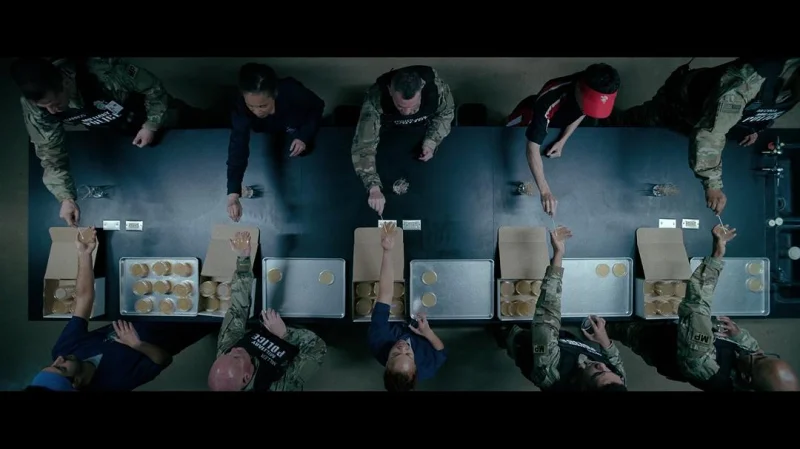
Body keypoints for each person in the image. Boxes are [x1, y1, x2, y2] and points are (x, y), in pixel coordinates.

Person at [10, 57, 212, 227]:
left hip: (159, 117)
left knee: (206, 132)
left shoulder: (103, 72)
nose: (52, 111)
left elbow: (153, 88)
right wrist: (66, 198)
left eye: (55, 103)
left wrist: (151, 125)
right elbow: (50, 154)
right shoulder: (36, 107)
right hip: (118, 132)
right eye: (45, 107)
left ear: (65, 83)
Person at [607, 224, 800, 391]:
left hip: (648, 332)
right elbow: (753, 348)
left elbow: (696, 303)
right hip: (676, 323)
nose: (756, 353)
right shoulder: (750, 364)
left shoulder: (706, 366)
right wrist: (738, 335)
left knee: (608, 318)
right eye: (766, 355)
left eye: (758, 359)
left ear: (746, 378)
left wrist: (717, 254)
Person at [604, 57, 800, 215]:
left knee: (669, 142)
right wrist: (713, 185)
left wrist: (757, 126)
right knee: (644, 119)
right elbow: (710, 133)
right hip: (682, 103)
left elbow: (774, 106)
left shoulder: (794, 84)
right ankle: (604, 122)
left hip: (702, 118)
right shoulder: (748, 82)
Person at [25, 227, 212, 391]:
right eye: (61, 367)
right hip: (185, 324)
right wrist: (137, 345)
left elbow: (83, 300)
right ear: (77, 382)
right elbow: (163, 360)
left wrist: (85, 254)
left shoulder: (63, 349)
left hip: (148, 304)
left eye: (52, 363)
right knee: (211, 293)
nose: (60, 359)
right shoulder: (114, 383)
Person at [500, 226, 628, 391]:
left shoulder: (553, 371)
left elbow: (547, 313)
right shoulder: (615, 384)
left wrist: (558, 254)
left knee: (521, 333)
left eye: (598, 373)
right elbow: (616, 364)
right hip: (559, 341)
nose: (601, 365)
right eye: (609, 371)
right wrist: (604, 341)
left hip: (534, 345)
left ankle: (506, 336)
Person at [208, 231, 327, 391]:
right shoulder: (278, 385)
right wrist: (285, 334)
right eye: (236, 356)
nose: (233, 349)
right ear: (246, 378)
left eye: (228, 353)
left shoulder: (227, 354)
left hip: (269, 324)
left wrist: (243, 260)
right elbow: (317, 347)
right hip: (303, 333)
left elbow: (237, 310)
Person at [506, 64, 620, 217]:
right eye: (589, 103)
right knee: (511, 143)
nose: (589, 109)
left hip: (557, 122)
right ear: (579, 88)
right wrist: (545, 192)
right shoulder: (550, 97)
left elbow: (583, 112)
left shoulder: (588, 93)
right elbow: (532, 147)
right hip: (528, 117)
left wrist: (562, 140)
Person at [226, 63, 325, 222]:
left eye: (263, 105)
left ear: (275, 94)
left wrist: (304, 136)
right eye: (251, 106)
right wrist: (233, 193)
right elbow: (238, 147)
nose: (257, 111)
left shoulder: (291, 90)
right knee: (272, 153)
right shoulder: (240, 108)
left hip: (294, 124)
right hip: (266, 129)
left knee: (307, 150)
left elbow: (317, 106)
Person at [351, 65, 455, 216]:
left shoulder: (437, 90)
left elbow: (446, 114)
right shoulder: (376, 97)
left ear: (422, 88)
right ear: (390, 90)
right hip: (388, 137)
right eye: (400, 106)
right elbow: (363, 145)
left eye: (413, 107)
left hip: (422, 133)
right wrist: (373, 187)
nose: (406, 113)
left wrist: (431, 141)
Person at [368, 222, 447, 391]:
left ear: (386, 364)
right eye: (409, 354)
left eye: (396, 353)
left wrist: (387, 251)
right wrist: (428, 334)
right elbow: (440, 350)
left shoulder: (377, 340)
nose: (403, 347)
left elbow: (386, 293)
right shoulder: (427, 367)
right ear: (416, 367)